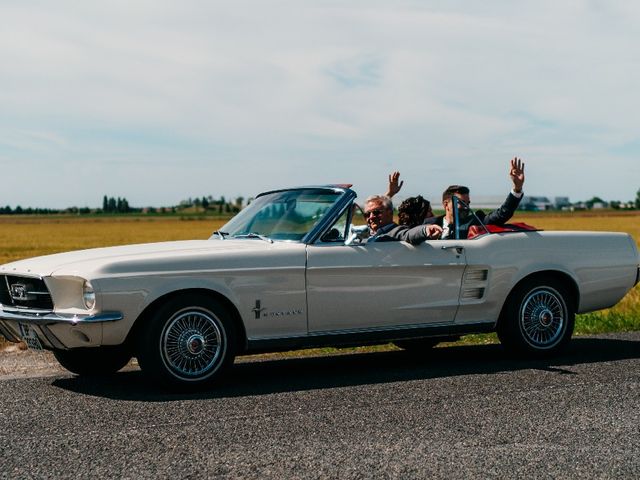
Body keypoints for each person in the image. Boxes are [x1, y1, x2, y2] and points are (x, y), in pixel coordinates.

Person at [385, 158, 525, 239]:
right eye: (461, 203)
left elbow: (502, 213)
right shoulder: (427, 223)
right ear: (446, 204)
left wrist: (517, 189)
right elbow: (397, 233)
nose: (466, 207)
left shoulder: (477, 221)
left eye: (468, 203)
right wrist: (389, 196)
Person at [363, 195, 442, 244]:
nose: (371, 217)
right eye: (367, 214)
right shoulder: (364, 233)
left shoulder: (396, 231)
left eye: (376, 212)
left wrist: (425, 230)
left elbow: (408, 234)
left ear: (390, 213)